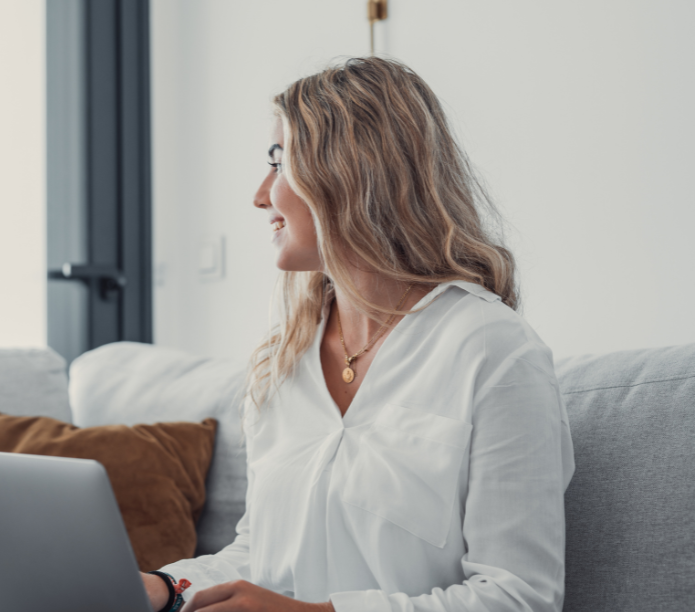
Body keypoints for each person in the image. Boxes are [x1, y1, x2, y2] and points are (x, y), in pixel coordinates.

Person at [141, 57, 575, 612]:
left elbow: (519, 596)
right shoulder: (285, 360)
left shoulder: (492, 348)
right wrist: (162, 586)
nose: (259, 195)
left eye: (279, 163)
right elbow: (263, 555)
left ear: (346, 172)